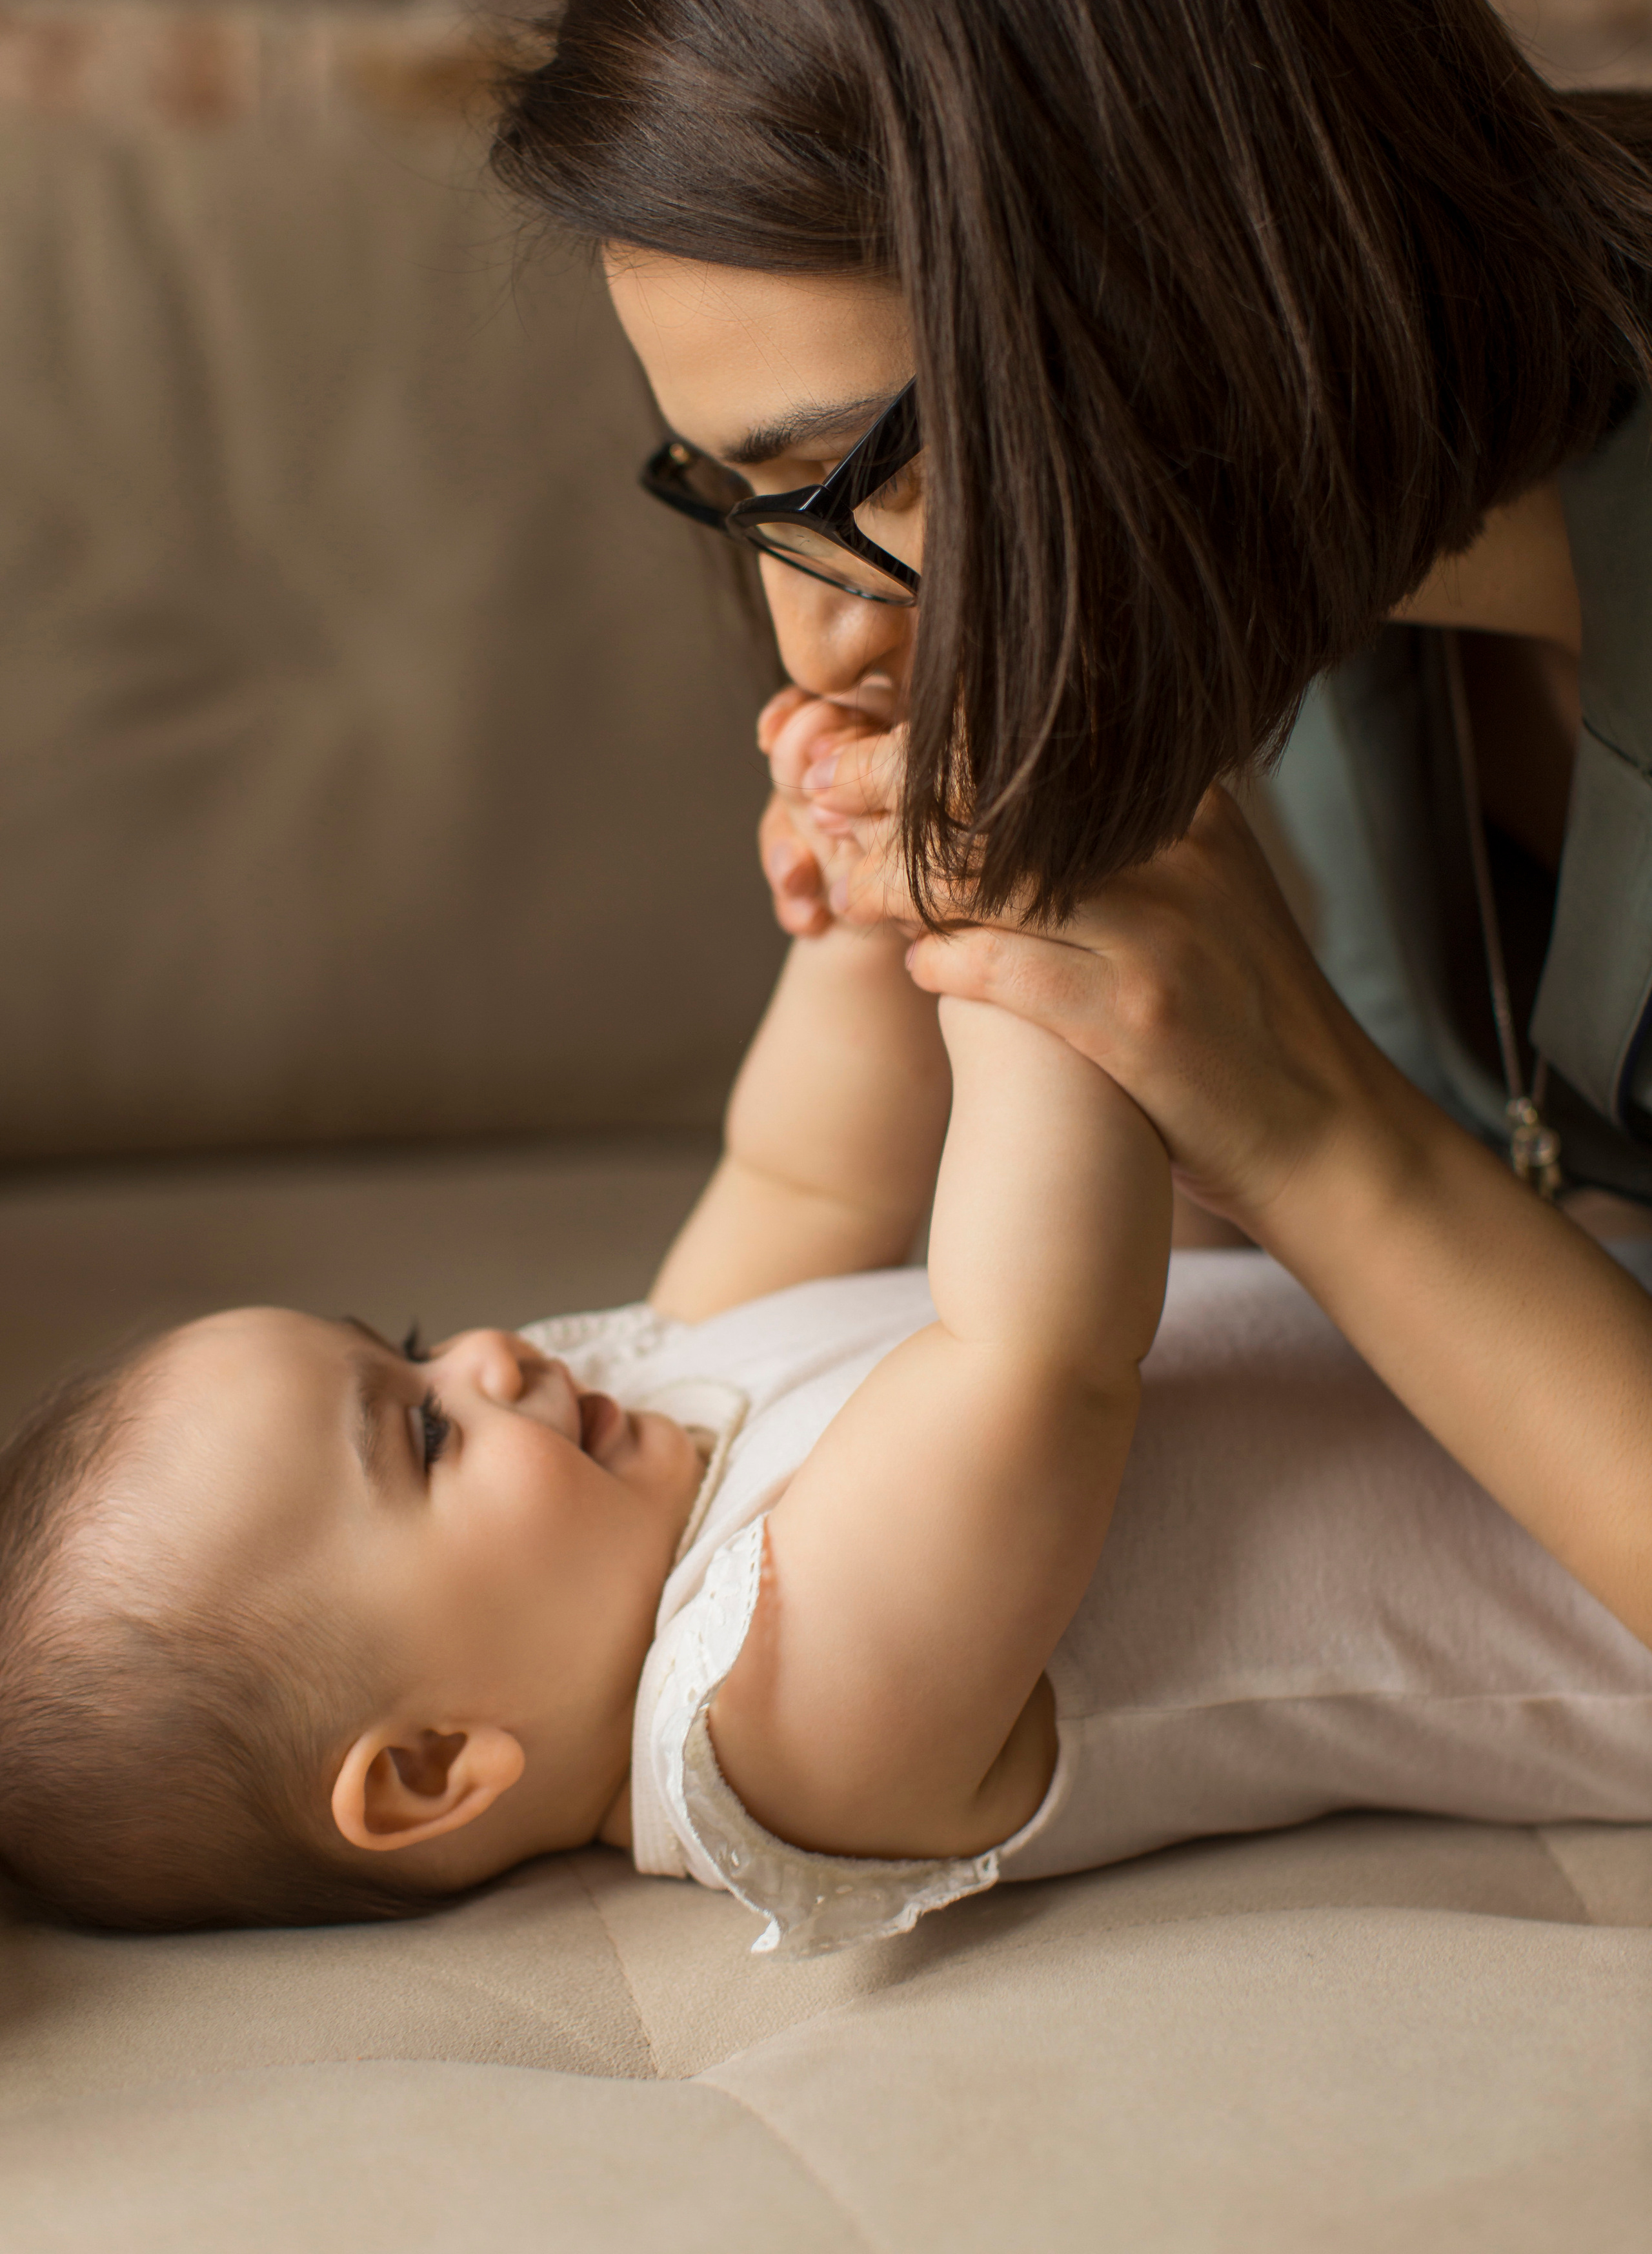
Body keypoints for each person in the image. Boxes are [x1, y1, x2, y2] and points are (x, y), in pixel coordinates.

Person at [490, 0, 1652, 1605]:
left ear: (1181, 262)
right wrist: (1058, 1002)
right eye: (741, 505)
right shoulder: (1301, 593)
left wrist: (1315, 1129)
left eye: (858, 476)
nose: (825, 646)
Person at [1, 767, 1648, 1943]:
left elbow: (809, 1170)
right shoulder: (770, 1730)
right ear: (435, 1768)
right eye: (421, 1436)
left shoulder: (639, 1416)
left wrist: (859, 893)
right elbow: (1032, 1352)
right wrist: (1016, 939)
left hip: (1564, 1323)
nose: (490, 1356)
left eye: (413, 1350)